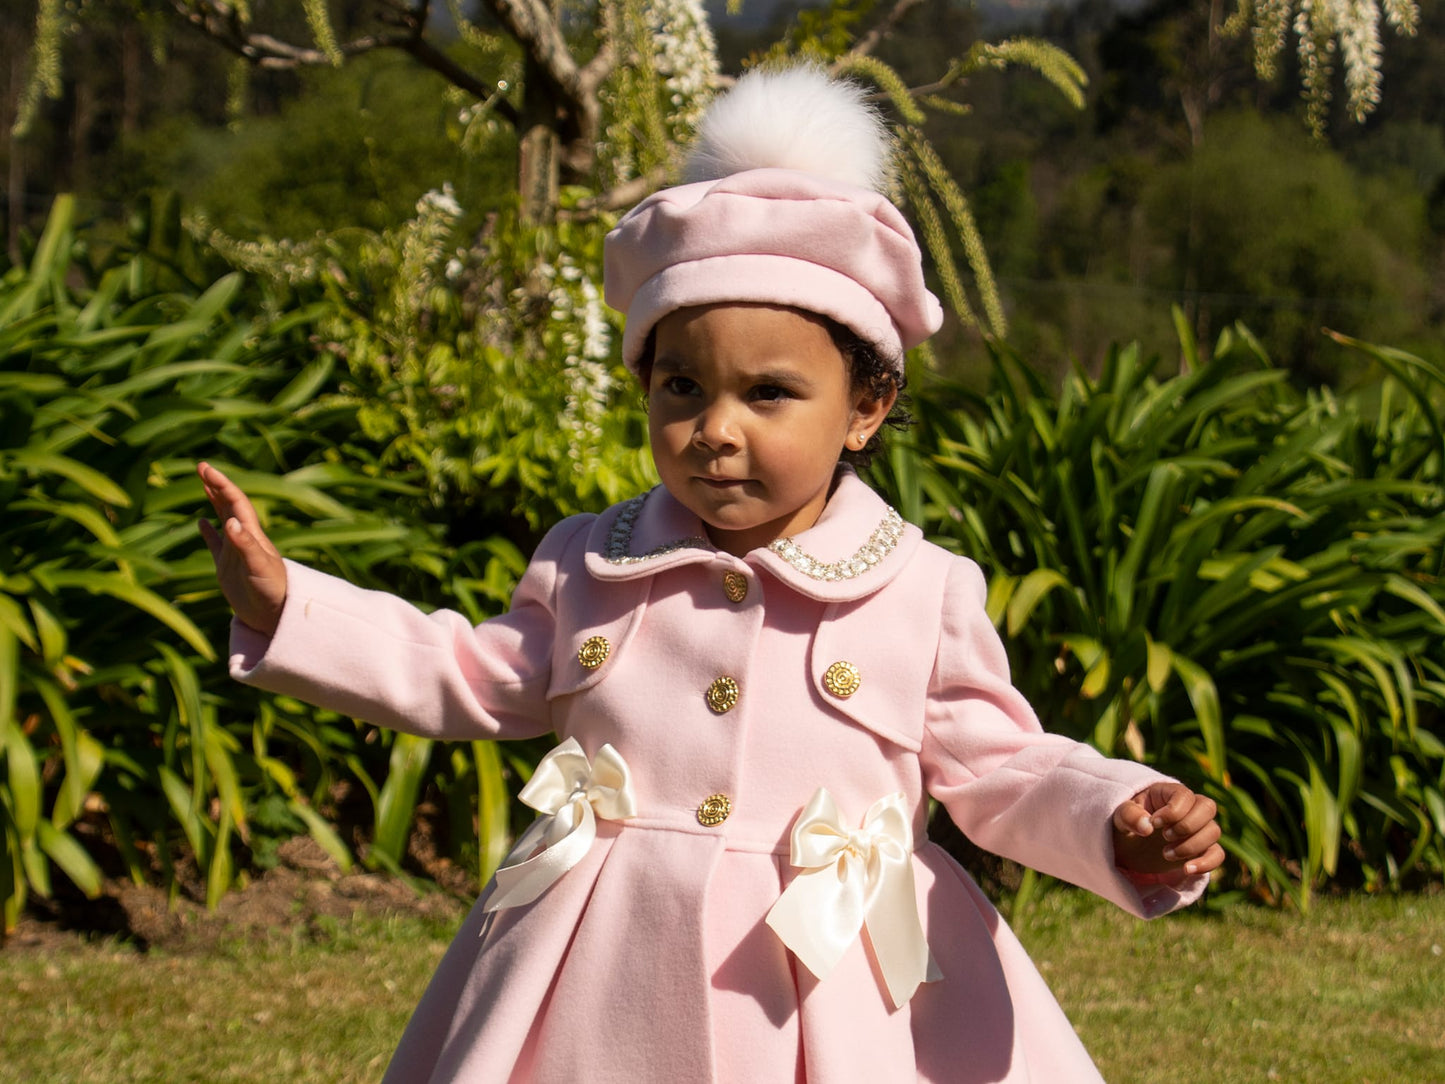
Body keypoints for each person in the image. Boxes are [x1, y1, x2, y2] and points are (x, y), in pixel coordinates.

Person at [199, 65, 1223, 1084]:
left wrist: (1115, 812)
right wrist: (288, 606)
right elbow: (464, 671)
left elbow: (1002, 771)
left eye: (769, 393)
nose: (715, 432)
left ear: (865, 407)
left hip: (832, 990)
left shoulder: (917, 591)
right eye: (681, 386)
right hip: (593, 980)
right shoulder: (590, 561)